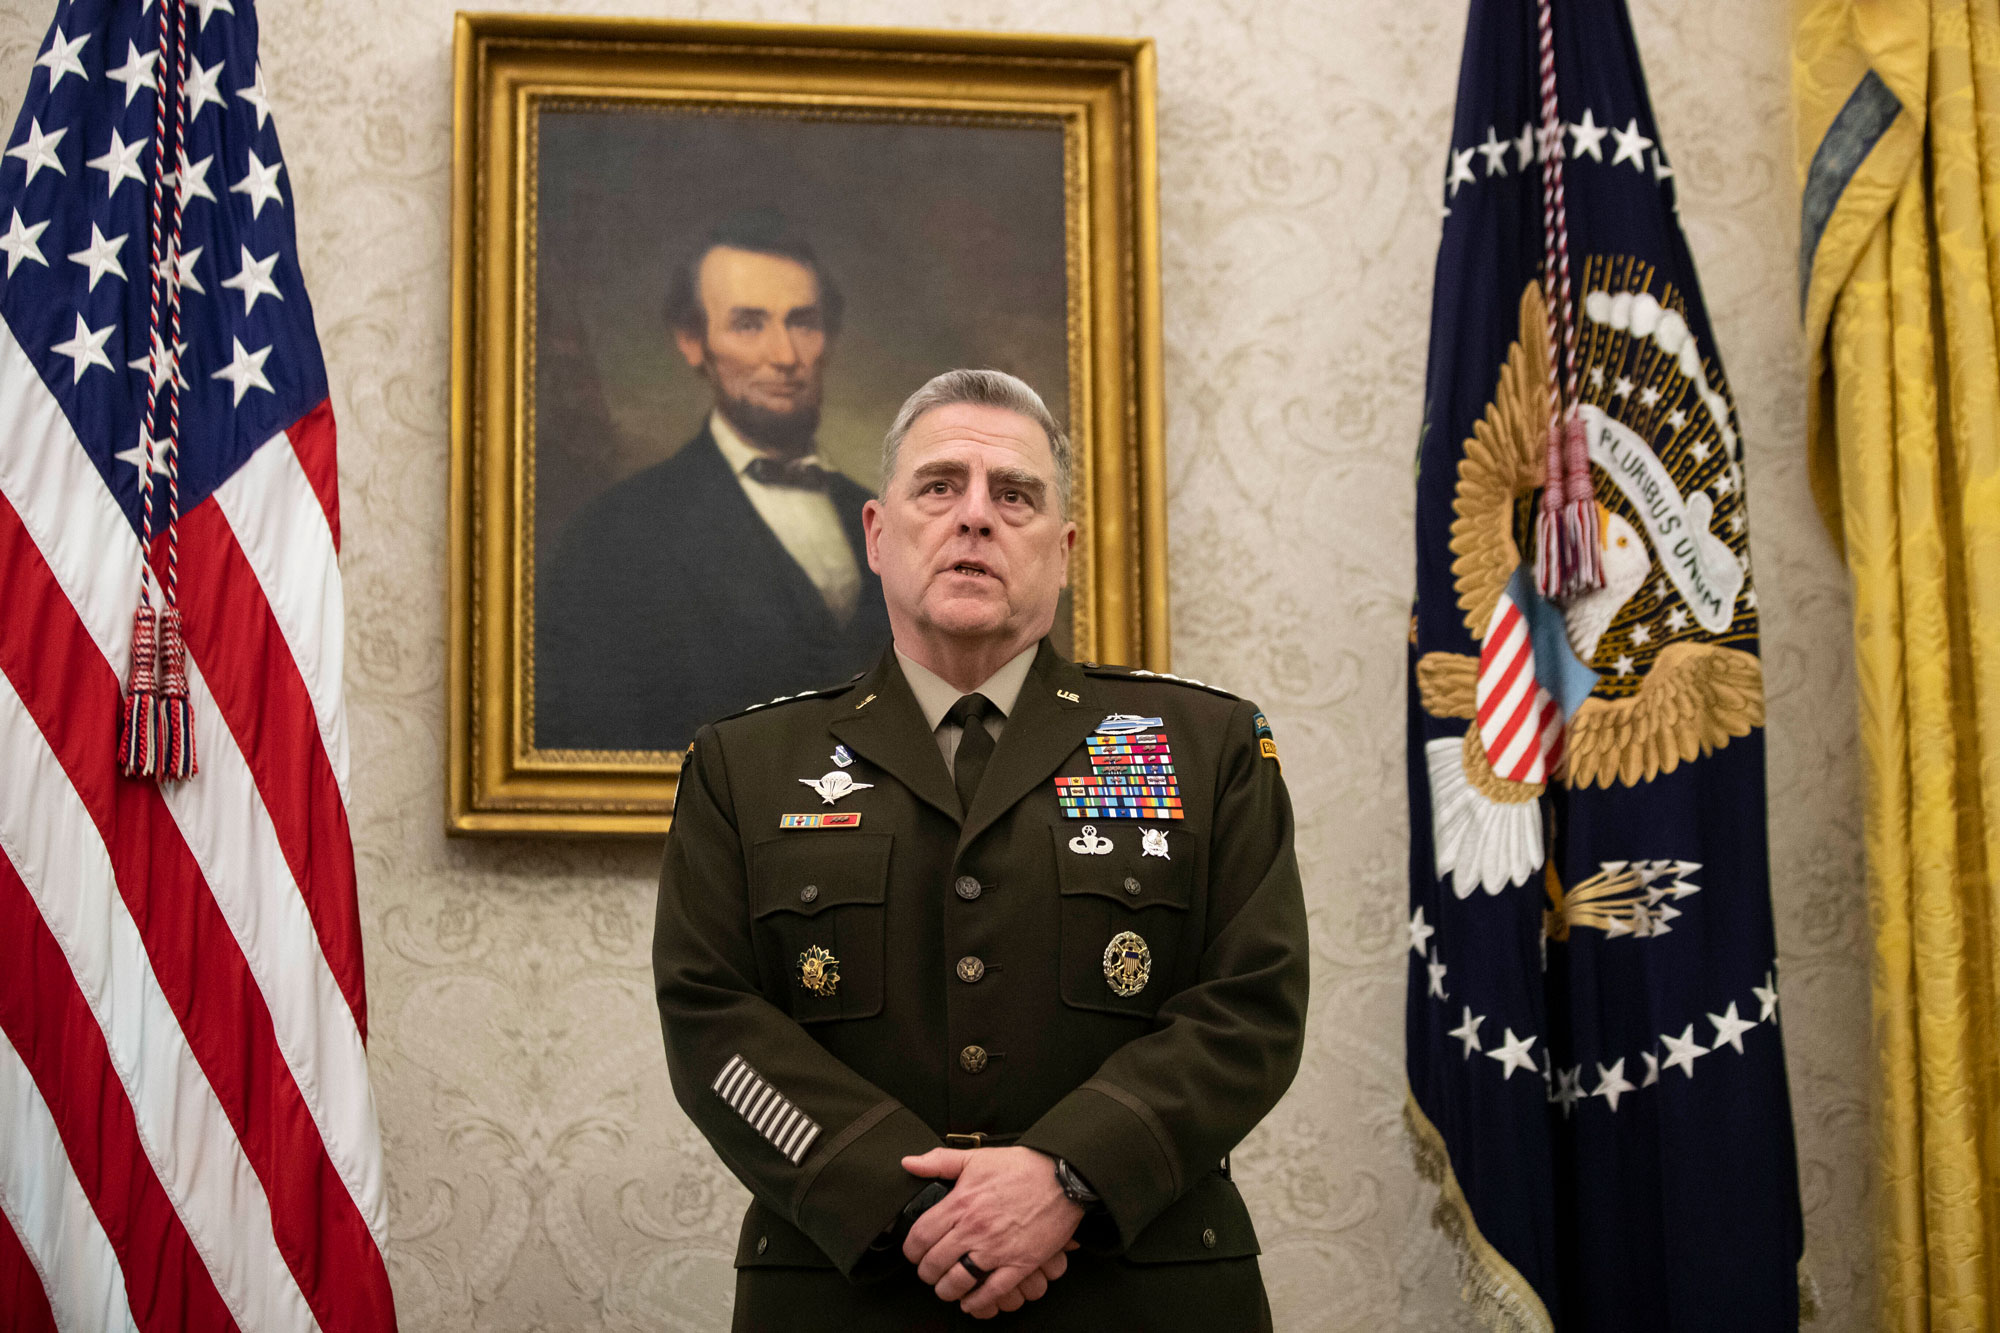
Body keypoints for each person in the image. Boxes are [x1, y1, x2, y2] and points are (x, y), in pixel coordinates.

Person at [653, 369, 1308, 1329]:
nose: (975, 517)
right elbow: (713, 1029)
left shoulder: (1205, 746)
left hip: (1139, 1291)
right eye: (939, 485)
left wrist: (1068, 1174)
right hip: (854, 1291)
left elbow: (1252, 1009)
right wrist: (910, 1201)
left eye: (1014, 494)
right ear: (877, 534)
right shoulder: (744, 765)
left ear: (1064, 549)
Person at [535, 209, 891, 752]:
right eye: (749, 324)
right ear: (691, 341)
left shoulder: (883, 518)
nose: (785, 356)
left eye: (802, 321)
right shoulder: (614, 535)